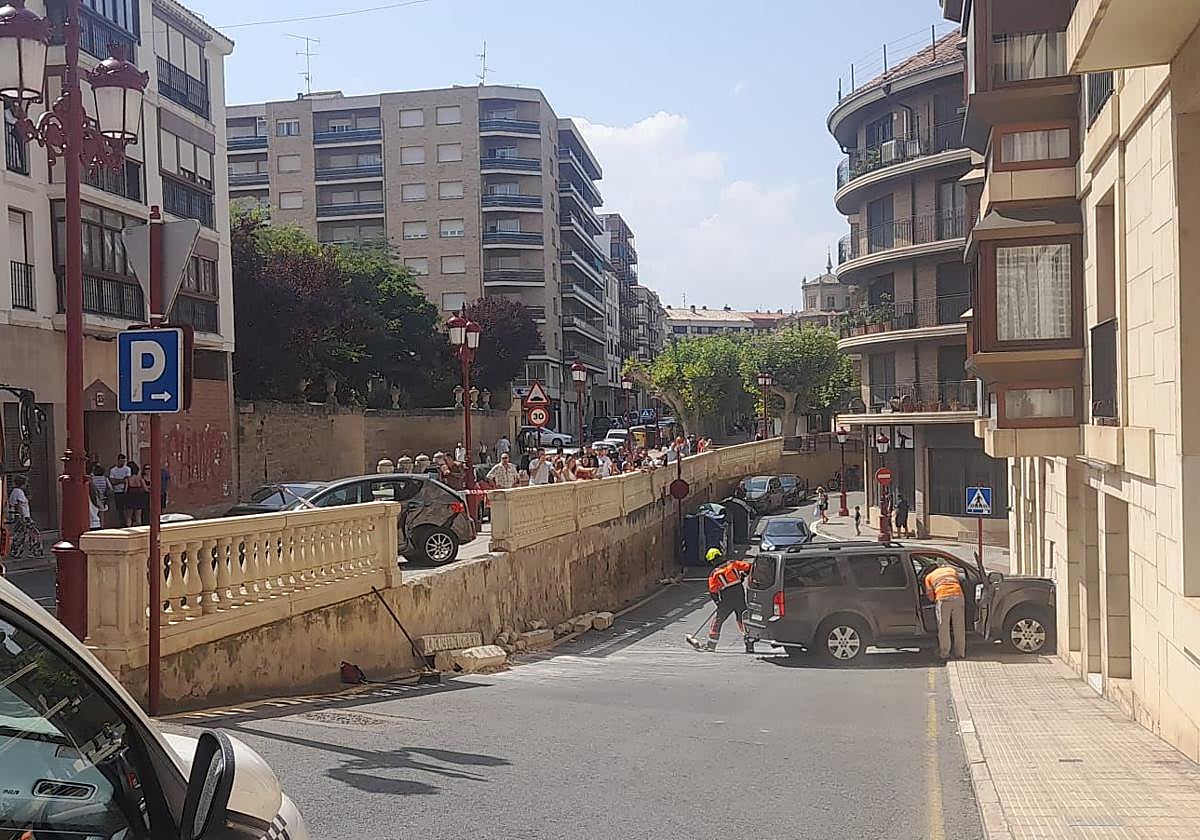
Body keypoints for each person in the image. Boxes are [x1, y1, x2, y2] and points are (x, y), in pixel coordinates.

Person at [689, 547, 755, 653]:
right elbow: (749, 567)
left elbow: (713, 591)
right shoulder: (732, 563)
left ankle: (711, 645)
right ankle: (750, 645)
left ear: (712, 560)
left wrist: (718, 603)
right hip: (739, 596)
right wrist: (742, 576)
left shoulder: (714, 574)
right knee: (743, 620)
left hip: (726, 599)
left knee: (718, 621)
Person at [925, 561, 967, 660]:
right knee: (959, 627)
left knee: (944, 627)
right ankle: (960, 653)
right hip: (958, 596)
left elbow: (930, 595)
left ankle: (944, 653)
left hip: (943, 598)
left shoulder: (929, 577)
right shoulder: (951, 570)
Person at [107, 454, 131, 526]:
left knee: (126, 508)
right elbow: (112, 481)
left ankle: (127, 523)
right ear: (118, 460)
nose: (122, 462)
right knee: (119, 509)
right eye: (121, 461)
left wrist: (118, 481)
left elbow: (127, 480)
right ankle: (121, 523)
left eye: (124, 461)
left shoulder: (127, 469)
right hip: (117, 491)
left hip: (125, 491)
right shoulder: (113, 470)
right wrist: (122, 480)